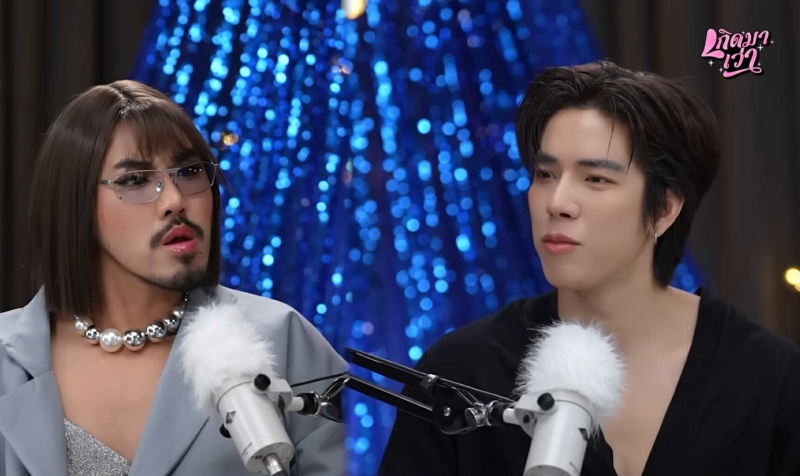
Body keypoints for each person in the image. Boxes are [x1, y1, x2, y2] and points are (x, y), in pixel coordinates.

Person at [377, 61, 800, 476]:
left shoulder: (769, 376)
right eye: (545, 174)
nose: (557, 202)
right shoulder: (462, 371)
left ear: (664, 209)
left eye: (596, 178)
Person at [0, 80, 348, 476]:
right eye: (135, 180)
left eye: (190, 171)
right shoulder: (8, 360)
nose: (175, 201)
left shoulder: (281, 340)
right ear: (74, 203)